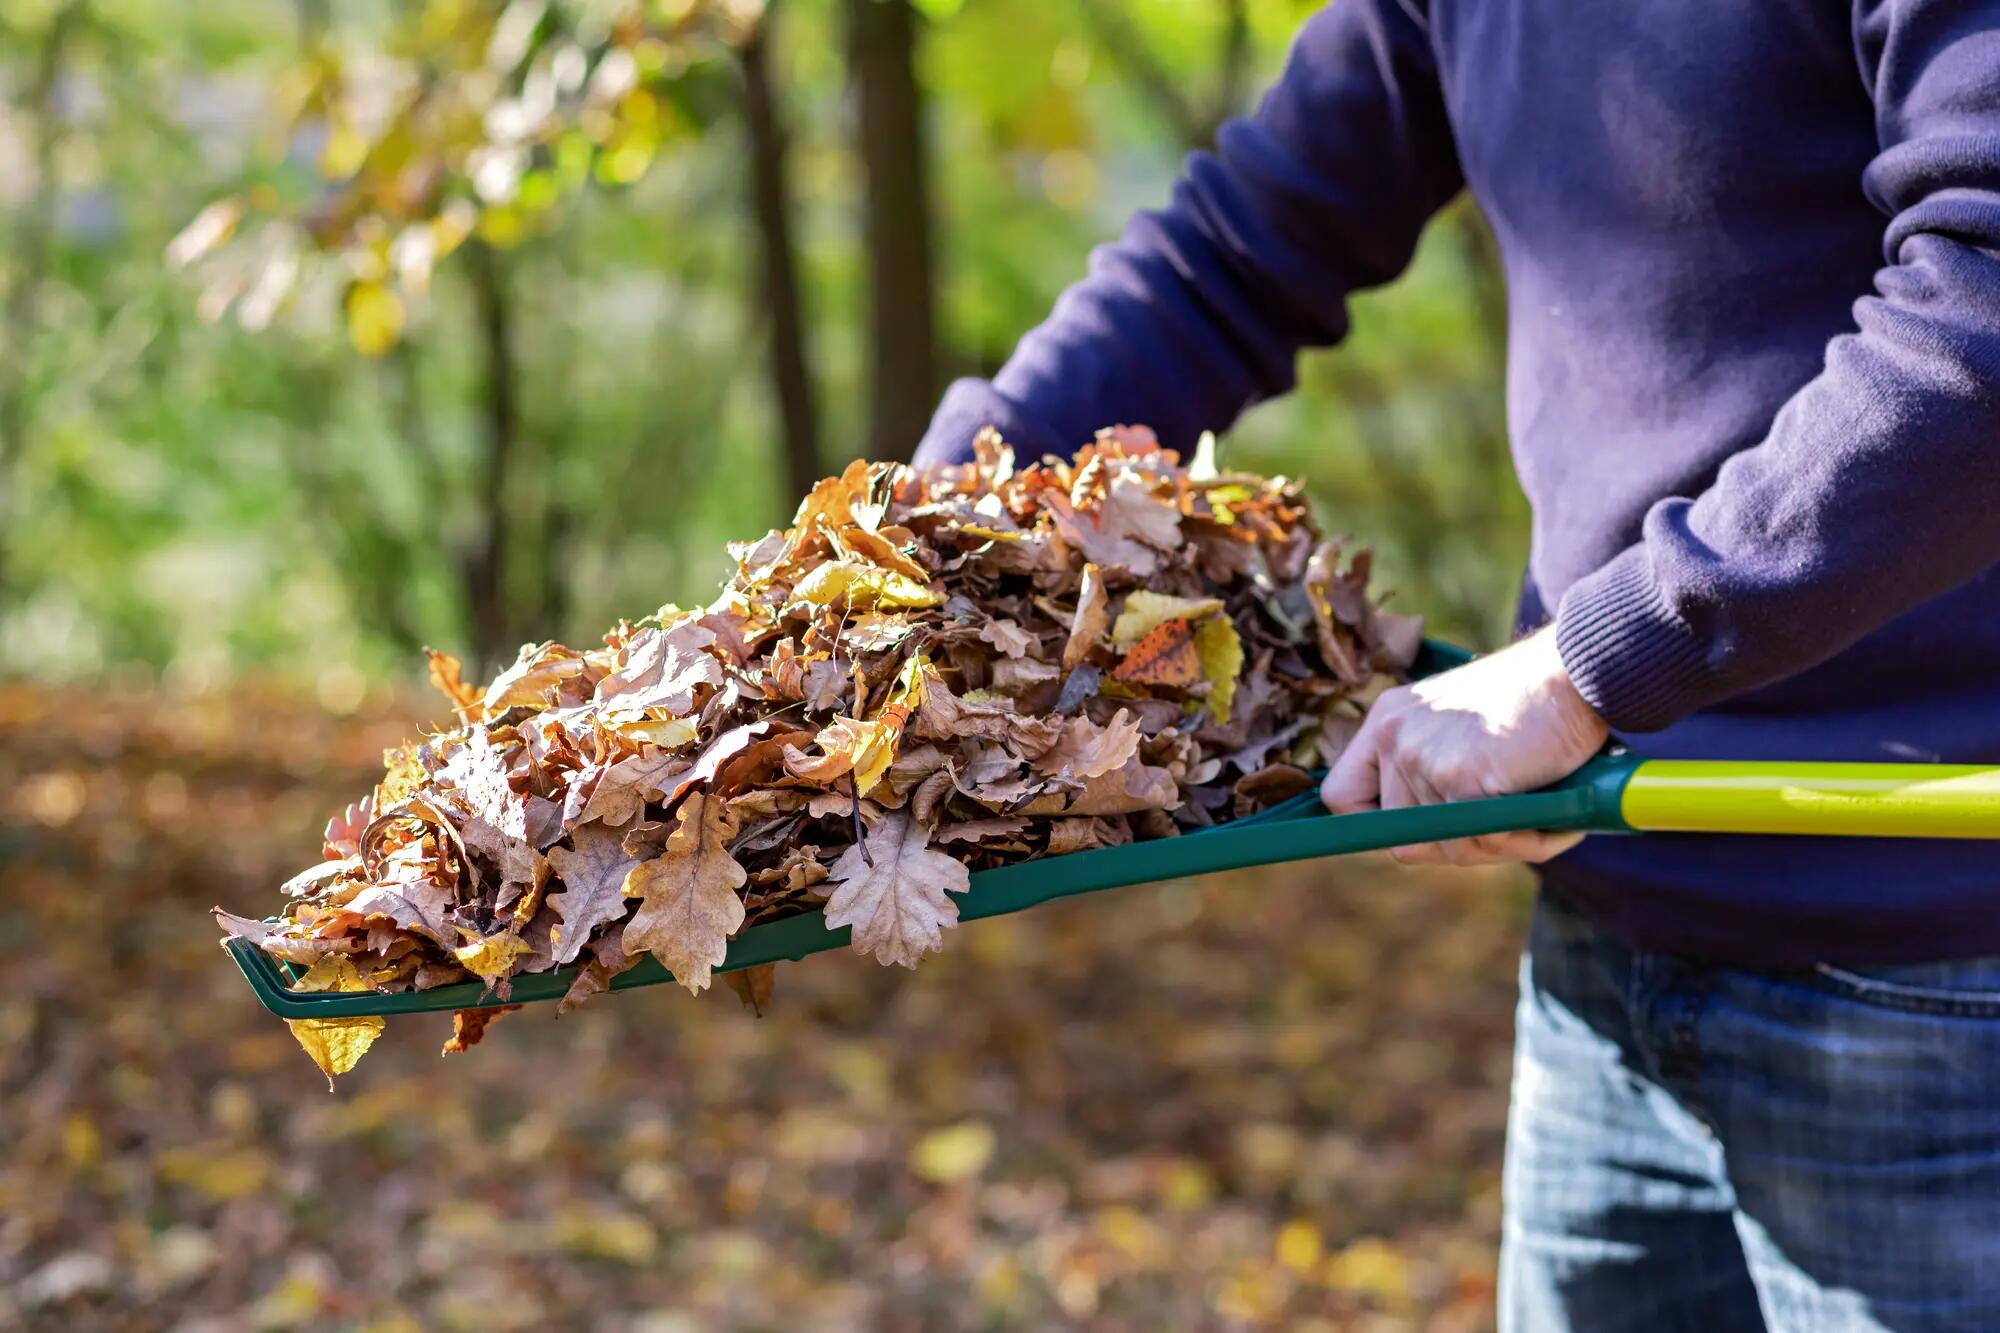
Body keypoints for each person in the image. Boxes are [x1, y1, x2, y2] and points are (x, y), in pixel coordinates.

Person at [911, 3, 2000, 1329]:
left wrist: (1586, 668)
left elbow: (1982, 313)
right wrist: (937, 516)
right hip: (1612, 917)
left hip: (1936, 966)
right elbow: (1236, 253)